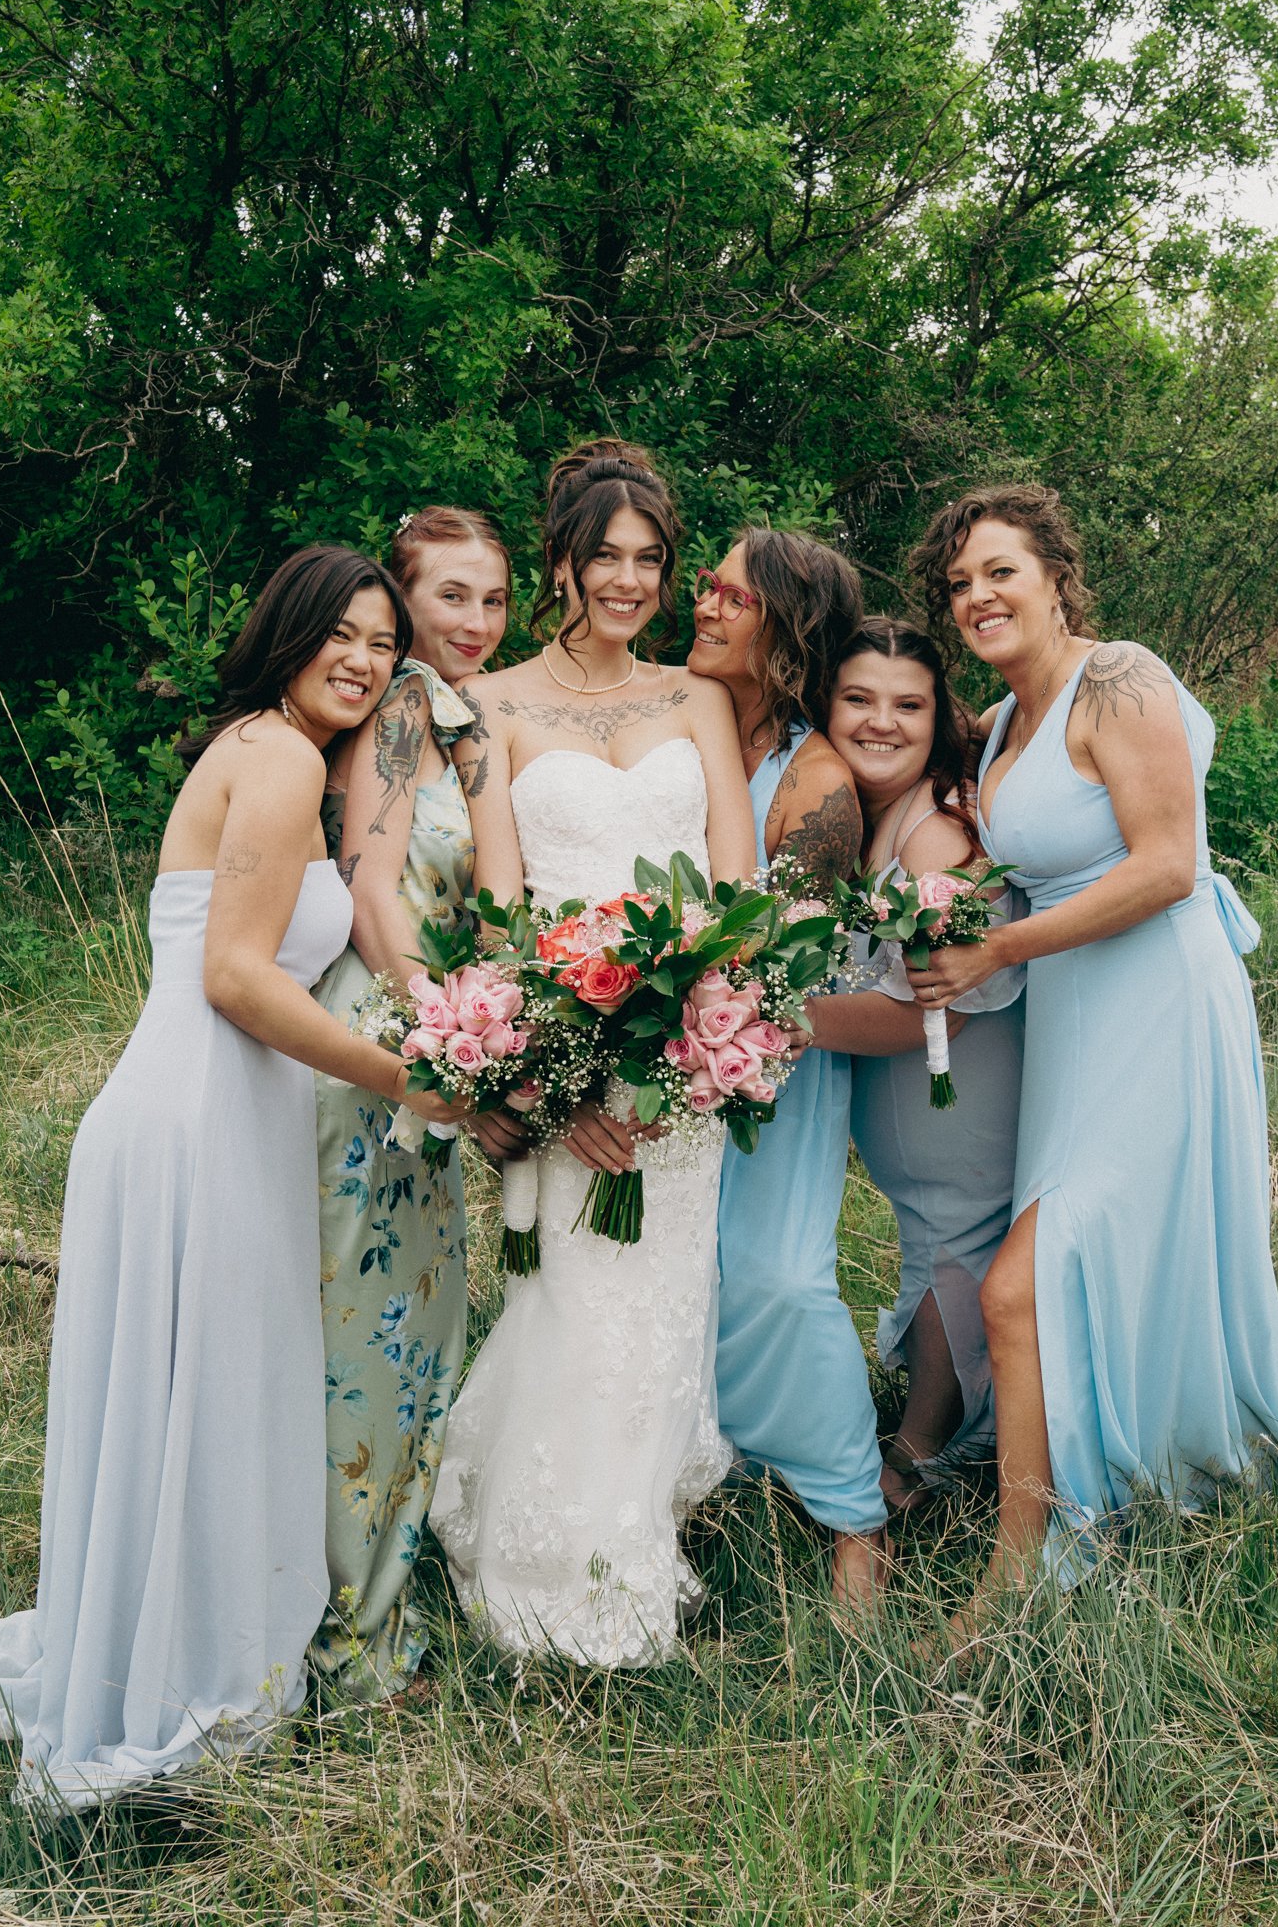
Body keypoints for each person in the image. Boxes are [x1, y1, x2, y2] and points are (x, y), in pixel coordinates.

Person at [0, 546, 467, 1812]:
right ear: (285, 629)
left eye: (383, 641)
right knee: (205, 1398)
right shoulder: (281, 758)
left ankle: (156, 1652)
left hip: (203, 1112)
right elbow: (237, 975)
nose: (363, 657)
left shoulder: (263, 747)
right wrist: (411, 1076)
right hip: (196, 1115)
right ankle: (183, 1685)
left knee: (192, 1405)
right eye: (338, 631)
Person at [907, 485, 1278, 1640]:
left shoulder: (1117, 675)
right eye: (959, 582)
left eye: (999, 571)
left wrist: (996, 943)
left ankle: (1019, 1571)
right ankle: (1108, 1479)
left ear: (1054, 575)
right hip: (1072, 1019)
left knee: (1018, 1284)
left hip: (1157, 999)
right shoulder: (998, 722)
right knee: (1076, 1259)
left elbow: (1168, 861)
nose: (977, 595)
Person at [428, 440, 755, 1666]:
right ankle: (541, 1566)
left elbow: (735, 883)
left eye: (650, 560)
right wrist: (545, 1080)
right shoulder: (495, 705)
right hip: (566, 1047)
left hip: (684, 1061)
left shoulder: (696, 699)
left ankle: (635, 1538)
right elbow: (504, 911)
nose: (628, 580)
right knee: (567, 1294)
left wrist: (708, 1035)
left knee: (659, 1299)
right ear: (560, 560)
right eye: (604, 556)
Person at [311, 507, 515, 1696]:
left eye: (491, 600)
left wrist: (508, 1021)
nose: (475, 623)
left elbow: (496, 897)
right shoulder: (394, 709)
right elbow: (373, 890)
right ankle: (353, 1649)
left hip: (440, 1054)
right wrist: (444, 1047)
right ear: (402, 602)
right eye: (449, 599)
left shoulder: (466, 721)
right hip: (375, 1048)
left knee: (419, 1337)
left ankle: (363, 1608)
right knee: (367, 1348)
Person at [686, 531, 890, 1607]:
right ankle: (711, 1470)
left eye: (729, 594)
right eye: (707, 586)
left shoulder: (816, 778)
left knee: (779, 1274)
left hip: (776, 1048)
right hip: (663, 1045)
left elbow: (786, 950)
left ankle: (854, 1515)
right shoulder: (676, 706)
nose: (703, 603)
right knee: (692, 1270)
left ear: (786, 623)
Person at [804, 617, 1022, 1513]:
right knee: (936, 1246)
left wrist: (769, 1021)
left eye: (908, 704)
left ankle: (919, 1457)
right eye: (858, 699)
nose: (880, 722)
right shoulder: (872, 813)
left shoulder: (935, 830)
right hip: (912, 1103)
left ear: (940, 718)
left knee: (950, 1247)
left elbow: (931, 1011)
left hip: (955, 1092)